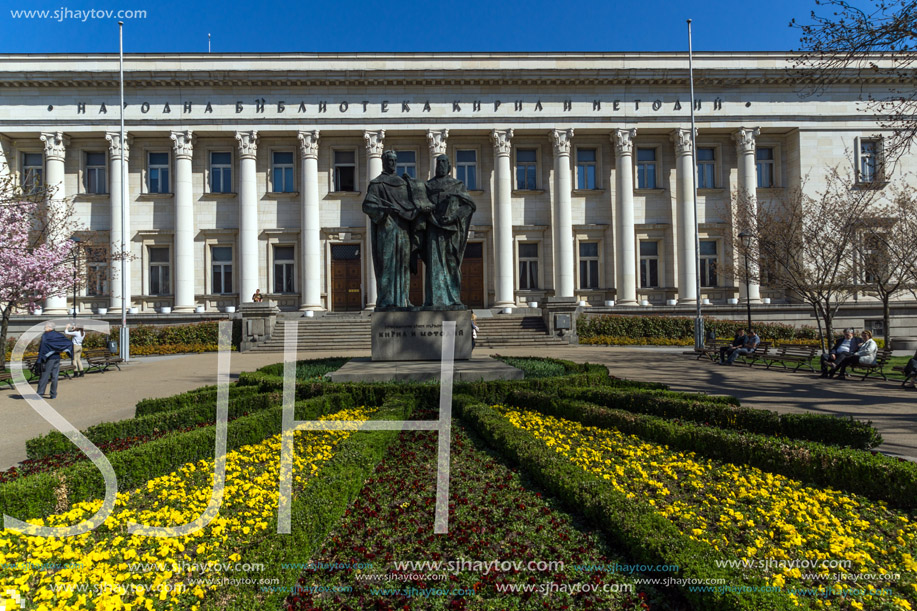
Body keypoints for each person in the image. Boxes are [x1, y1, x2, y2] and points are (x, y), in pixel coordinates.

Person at [415, 154, 476, 308]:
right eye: (438, 163)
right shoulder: (428, 186)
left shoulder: (457, 185)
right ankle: (434, 300)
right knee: (433, 265)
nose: (441, 165)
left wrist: (454, 216)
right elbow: (421, 203)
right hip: (433, 229)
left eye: (444, 163)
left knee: (451, 263)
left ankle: (453, 298)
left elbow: (468, 206)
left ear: (449, 167)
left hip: (451, 231)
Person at [362, 150, 419, 309]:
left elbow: (413, 206)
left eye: (394, 160)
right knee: (387, 264)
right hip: (386, 230)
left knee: (403, 265)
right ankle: (387, 301)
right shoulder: (377, 184)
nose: (392, 163)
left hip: (403, 230)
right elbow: (367, 206)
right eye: (389, 160)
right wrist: (385, 210)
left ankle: (404, 300)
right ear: (383, 162)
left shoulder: (403, 183)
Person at [36, 322, 72, 399]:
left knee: (44, 376)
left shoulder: (46, 335)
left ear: (50, 328)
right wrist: (60, 349)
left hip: (49, 359)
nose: (44, 328)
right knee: (55, 377)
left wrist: (40, 359)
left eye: (45, 327)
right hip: (57, 357)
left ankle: (40, 393)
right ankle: (53, 394)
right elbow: (68, 342)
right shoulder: (59, 335)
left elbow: (43, 347)